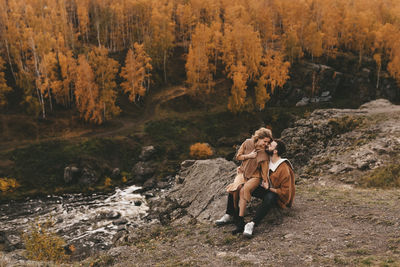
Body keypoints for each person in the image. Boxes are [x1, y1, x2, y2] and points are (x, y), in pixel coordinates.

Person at [215, 127, 272, 234]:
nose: (266, 144)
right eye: (264, 141)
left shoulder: (264, 153)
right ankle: (230, 215)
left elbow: (264, 170)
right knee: (234, 188)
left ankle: (240, 221)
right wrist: (249, 156)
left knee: (243, 190)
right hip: (243, 173)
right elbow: (238, 157)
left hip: (255, 176)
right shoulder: (247, 143)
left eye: (268, 142)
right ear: (258, 138)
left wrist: (265, 181)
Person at [242, 139, 295, 237]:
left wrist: (269, 188)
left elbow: (285, 192)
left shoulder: (283, 168)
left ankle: (252, 224)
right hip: (265, 189)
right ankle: (230, 213)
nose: (267, 146)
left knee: (270, 197)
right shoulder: (266, 160)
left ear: (275, 151)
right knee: (241, 185)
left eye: (270, 145)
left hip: (276, 195)